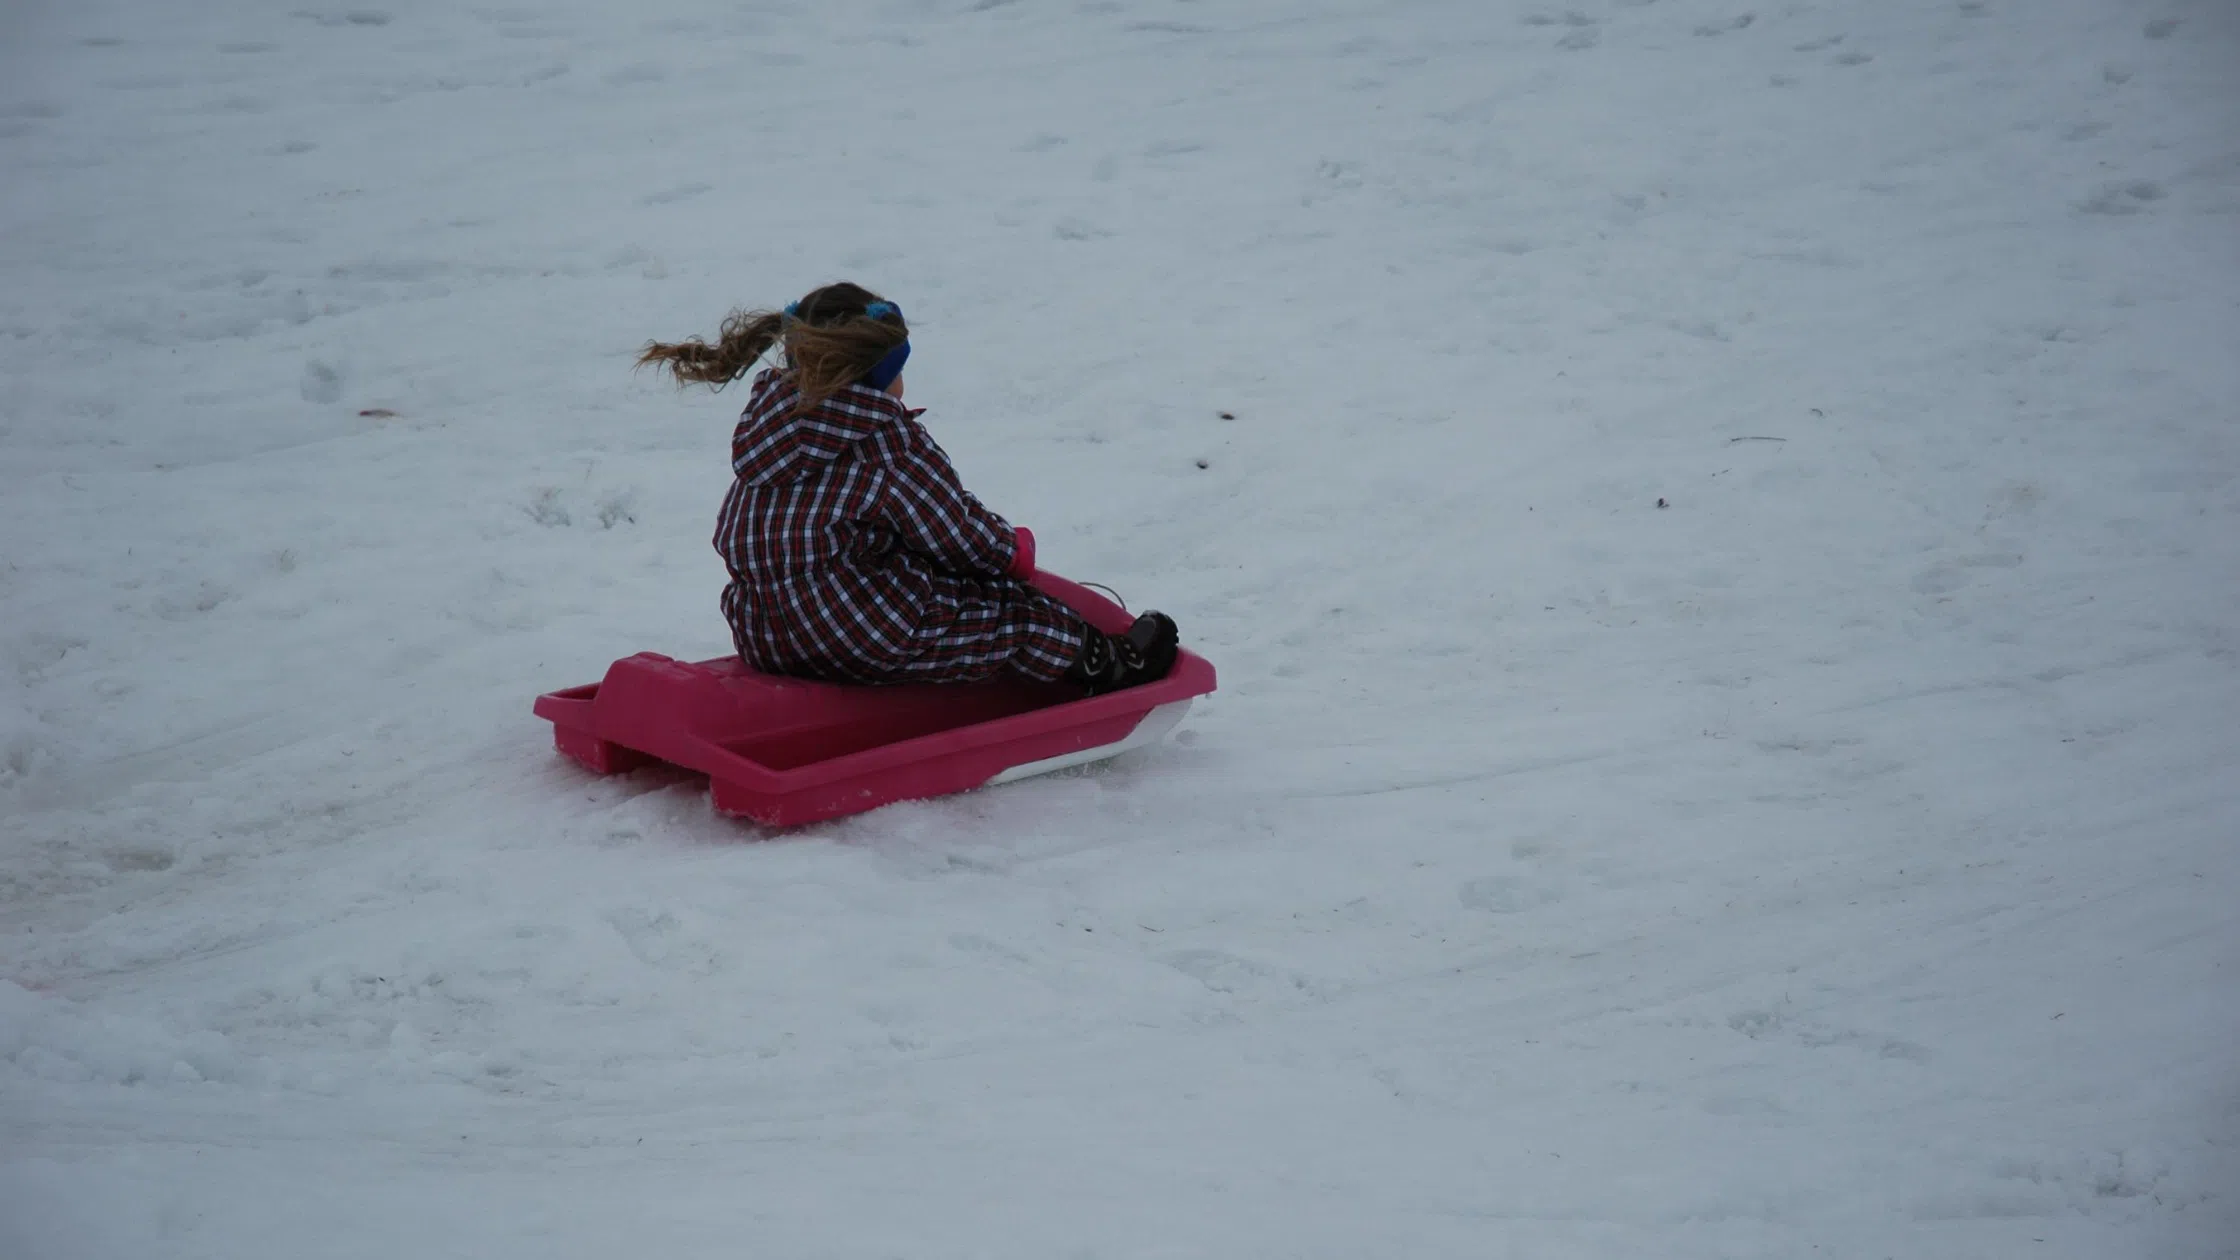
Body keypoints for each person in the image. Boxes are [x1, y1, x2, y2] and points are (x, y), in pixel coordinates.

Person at [637, 281, 1178, 693]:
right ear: (876, 374)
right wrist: (1009, 553)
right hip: (864, 629)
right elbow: (953, 530)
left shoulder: (767, 432)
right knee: (1010, 618)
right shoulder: (883, 437)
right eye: (899, 368)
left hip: (763, 631)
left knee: (917, 588)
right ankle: (1108, 666)